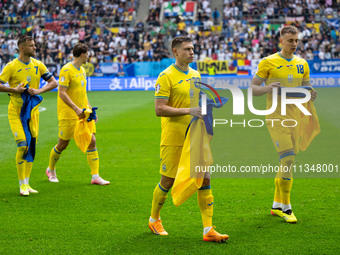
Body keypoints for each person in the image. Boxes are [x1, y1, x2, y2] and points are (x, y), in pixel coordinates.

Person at [149, 36, 229, 242]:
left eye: (193, 48)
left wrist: (207, 106)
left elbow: (196, 102)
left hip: (194, 136)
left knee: (205, 178)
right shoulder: (165, 76)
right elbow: (159, 109)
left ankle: (208, 229)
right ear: (175, 52)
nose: (192, 52)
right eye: (187, 49)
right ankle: (154, 219)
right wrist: (189, 110)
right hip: (173, 138)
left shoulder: (195, 74)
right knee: (167, 181)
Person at [250, 26, 318, 223]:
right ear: (281, 41)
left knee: (287, 162)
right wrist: (267, 88)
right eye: (290, 40)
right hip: (276, 117)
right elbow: (253, 89)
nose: (294, 44)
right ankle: (286, 208)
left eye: (296, 40)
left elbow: (306, 87)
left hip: (296, 117)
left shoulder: (302, 63)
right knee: (288, 159)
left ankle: (276, 205)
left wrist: (310, 94)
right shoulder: (268, 62)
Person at [0, 35, 58, 196]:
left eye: (34, 45)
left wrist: (39, 91)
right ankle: (21, 184)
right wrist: (14, 90)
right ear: (22, 48)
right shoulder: (11, 66)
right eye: (31, 46)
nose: (35, 48)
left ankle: (27, 183)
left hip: (32, 113)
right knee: (22, 145)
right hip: (16, 112)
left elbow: (54, 82)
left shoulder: (38, 65)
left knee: (31, 147)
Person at [46, 43, 110, 185]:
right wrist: (75, 109)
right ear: (82, 55)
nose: (88, 56)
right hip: (68, 114)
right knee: (62, 144)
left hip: (83, 114)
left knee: (92, 140)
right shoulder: (66, 70)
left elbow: (83, 94)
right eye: (87, 54)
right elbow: (62, 93)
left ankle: (95, 176)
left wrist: (89, 110)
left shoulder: (82, 69)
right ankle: (51, 169)